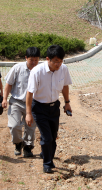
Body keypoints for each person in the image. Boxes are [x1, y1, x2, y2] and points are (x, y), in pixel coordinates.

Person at [25, 45, 72, 173]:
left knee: (53, 136)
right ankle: (47, 163)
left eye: (61, 61)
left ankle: (48, 156)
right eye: (55, 61)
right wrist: (28, 113)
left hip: (54, 107)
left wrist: (67, 103)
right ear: (47, 59)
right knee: (46, 137)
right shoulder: (37, 72)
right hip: (39, 107)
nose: (58, 64)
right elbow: (29, 93)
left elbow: (65, 86)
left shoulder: (63, 69)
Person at [2, 47, 40, 157]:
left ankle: (28, 147)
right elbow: (8, 84)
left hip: (33, 103)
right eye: (31, 60)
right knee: (14, 125)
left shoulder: (40, 70)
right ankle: (18, 143)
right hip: (17, 102)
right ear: (26, 58)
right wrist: (4, 99)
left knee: (31, 127)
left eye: (36, 60)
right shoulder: (17, 68)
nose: (34, 63)